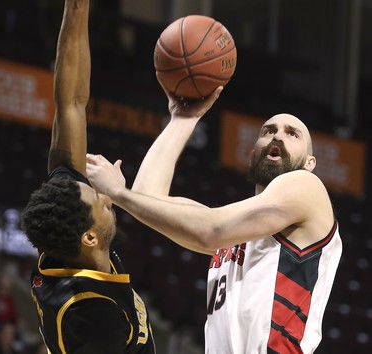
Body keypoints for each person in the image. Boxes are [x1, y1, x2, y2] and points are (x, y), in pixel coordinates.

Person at [86, 88, 343, 352]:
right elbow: (147, 198)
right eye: (267, 131)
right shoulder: (238, 234)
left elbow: (209, 229)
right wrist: (183, 119)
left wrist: (118, 193)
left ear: (310, 163)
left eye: (292, 133)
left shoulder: (308, 186)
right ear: (253, 152)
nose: (277, 135)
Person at [20, 1, 156, 353]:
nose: (107, 195)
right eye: (101, 201)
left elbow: (72, 102)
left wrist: (77, 8)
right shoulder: (92, 315)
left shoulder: (70, 229)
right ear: (90, 237)